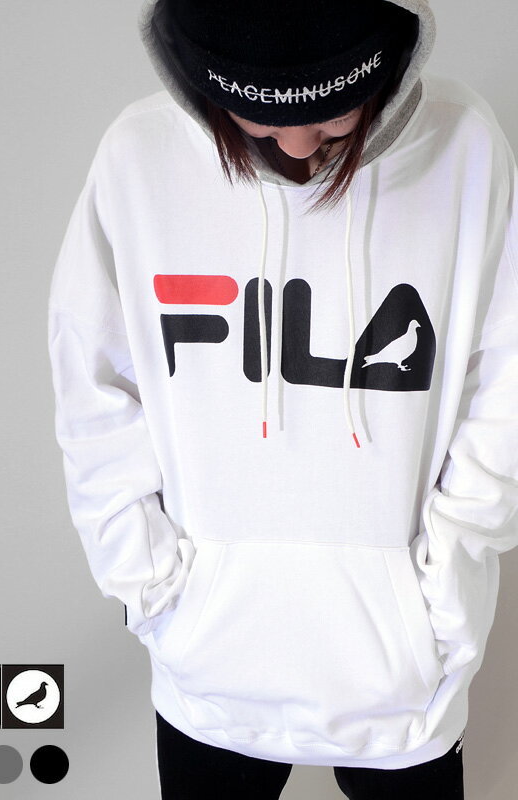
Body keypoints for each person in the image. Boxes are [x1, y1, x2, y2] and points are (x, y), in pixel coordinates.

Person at [47, 0, 518, 797]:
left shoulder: (462, 145)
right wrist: (151, 592)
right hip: (207, 675)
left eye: (333, 111)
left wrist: (447, 594)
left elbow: (505, 380)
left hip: (406, 688)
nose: (299, 144)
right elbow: (93, 384)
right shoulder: (139, 158)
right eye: (262, 116)